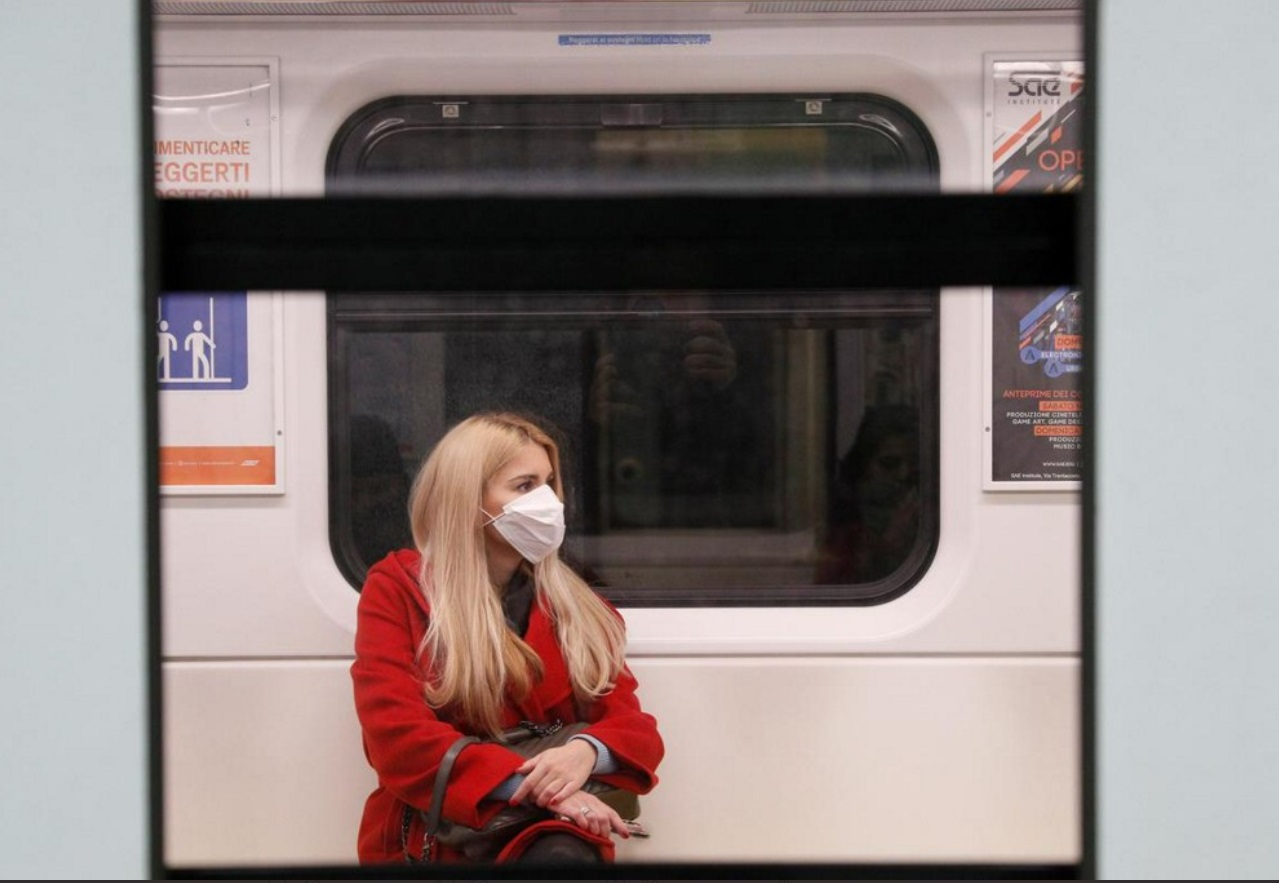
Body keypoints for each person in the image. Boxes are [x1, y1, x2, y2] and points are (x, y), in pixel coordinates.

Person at [351, 411, 664, 866]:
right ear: (468, 501)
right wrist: (536, 788)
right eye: (524, 486)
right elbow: (398, 740)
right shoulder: (398, 589)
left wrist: (585, 752)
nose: (549, 502)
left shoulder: (575, 607)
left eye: (549, 484)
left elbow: (634, 728)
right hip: (445, 832)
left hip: (549, 836)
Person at [815, 404, 921, 585]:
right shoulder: (844, 529)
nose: (903, 475)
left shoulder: (928, 519)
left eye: (913, 466)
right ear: (864, 466)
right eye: (889, 464)